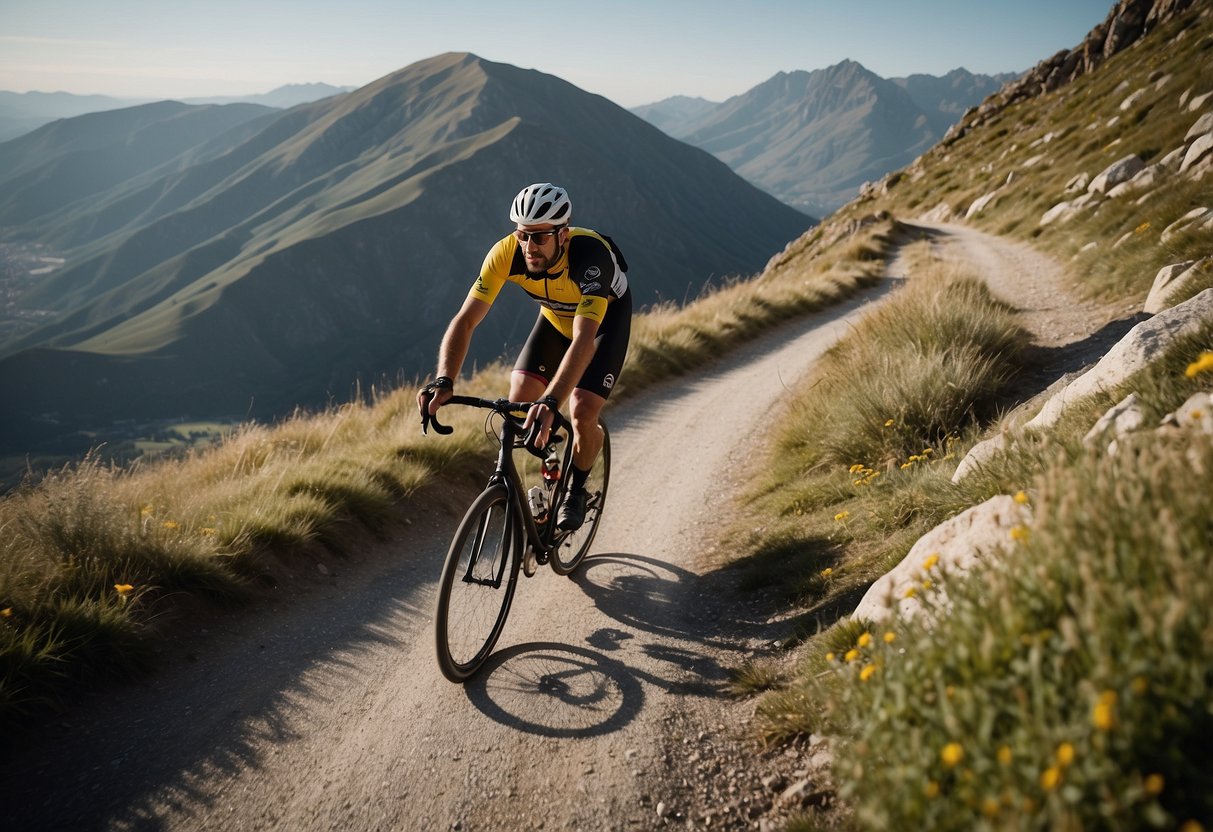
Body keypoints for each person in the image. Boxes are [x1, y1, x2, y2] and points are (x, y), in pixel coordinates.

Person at [417, 183, 632, 531]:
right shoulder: (506, 253)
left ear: (562, 234)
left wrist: (551, 401)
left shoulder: (590, 259)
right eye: (522, 235)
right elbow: (466, 319)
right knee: (517, 402)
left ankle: (576, 490)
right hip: (553, 320)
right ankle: (550, 458)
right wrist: (445, 379)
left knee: (581, 409)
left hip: (602, 326)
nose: (529, 247)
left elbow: (583, 340)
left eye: (539, 237)